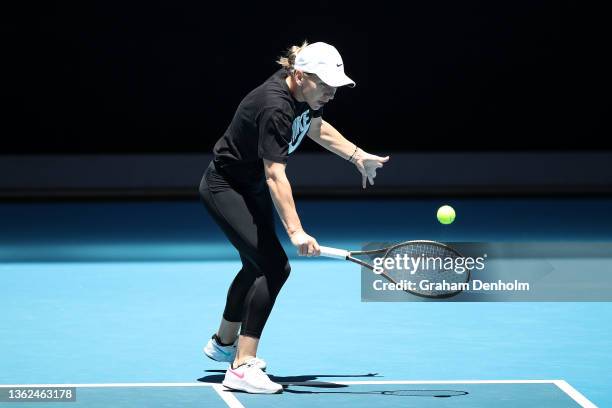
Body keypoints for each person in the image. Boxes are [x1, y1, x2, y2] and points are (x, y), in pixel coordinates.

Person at [198, 41, 389, 394]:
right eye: (325, 84)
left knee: (257, 264)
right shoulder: (275, 107)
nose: (331, 92)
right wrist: (297, 232)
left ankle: (223, 344)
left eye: (335, 85)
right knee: (275, 266)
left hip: (248, 185)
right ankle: (241, 366)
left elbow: (317, 129)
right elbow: (275, 175)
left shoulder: (303, 95)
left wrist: (357, 155)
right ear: (300, 76)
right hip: (225, 187)